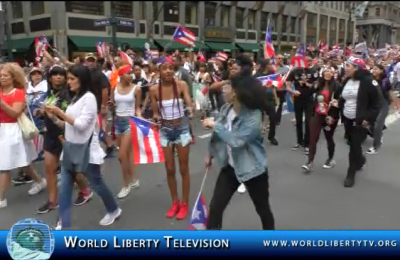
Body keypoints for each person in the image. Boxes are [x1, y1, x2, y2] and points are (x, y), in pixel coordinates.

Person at [46, 64, 122, 228]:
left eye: (72, 79)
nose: (68, 82)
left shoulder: (89, 98)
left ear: (82, 80)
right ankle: (63, 222)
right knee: (65, 188)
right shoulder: (74, 99)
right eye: (68, 78)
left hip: (86, 150)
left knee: (97, 184)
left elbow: (81, 125)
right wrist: (53, 117)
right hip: (70, 149)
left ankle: (114, 209)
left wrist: (60, 113)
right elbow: (67, 126)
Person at [203, 70, 275, 230]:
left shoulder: (253, 117)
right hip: (230, 167)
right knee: (215, 207)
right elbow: (218, 134)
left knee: (263, 209)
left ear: (236, 93)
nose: (223, 89)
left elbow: (237, 141)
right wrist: (210, 154)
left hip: (253, 170)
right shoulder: (226, 109)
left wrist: (215, 124)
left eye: (227, 86)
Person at [149, 57, 193, 220]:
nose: (168, 71)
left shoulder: (181, 85)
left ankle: (185, 203)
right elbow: (155, 113)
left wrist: (190, 107)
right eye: (164, 68)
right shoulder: (154, 90)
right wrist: (155, 119)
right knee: (169, 168)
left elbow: (188, 100)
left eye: (170, 68)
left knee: (183, 167)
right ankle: (175, 201)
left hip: (181, 129)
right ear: (159, 71)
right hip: (165, 130)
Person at [0, 63, 45, 208]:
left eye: (5, 75)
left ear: (13, 77)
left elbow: (15, 113)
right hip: (1, 129)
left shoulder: (18, 93)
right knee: (23, 162)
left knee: (5, 166)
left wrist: (1, 102)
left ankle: (1, 198)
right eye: (0, 75)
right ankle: (39, 181)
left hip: (12, 130)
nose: (2, 78)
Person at [340, 57, 382, 188]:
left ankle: (350, 174)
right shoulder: (347, 80)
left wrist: (368, 118)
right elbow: (342, 97)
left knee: (354, 146)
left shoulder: (368, 82)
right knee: (352, 143)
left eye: (348, 66)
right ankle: (361, 159)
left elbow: (377, 103)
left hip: (360, 121)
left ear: (356, 68)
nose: (345, 68)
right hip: (347, 118)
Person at [109, 62, 141, 199]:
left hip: (130, 122)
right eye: (128, 73)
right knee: (127, 154)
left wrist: (139, 116)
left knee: (121, 155)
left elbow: (138, 108)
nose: (131, 75)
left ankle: (125, 185)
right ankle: (134, 179)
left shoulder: (137, 89)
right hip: (118, 122)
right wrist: (110, 106)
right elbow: (112, 106)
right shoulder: (114, 88)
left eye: (131, 73)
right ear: (121, 75)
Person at [302, 67, 341, 172]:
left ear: (333, 74)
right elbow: (310, 92)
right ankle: (309, 161)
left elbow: (340, 101)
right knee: (313, 138)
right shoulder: (319, 83)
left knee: (329, 138)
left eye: (330, 72)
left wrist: (332, 116)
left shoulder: (337, 86)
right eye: (325, 71)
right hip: (317, 114)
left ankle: (330, 158)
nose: (327, 73)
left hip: (329, 116)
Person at [286, 57, 319, 154]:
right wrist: (292, 91)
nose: (307, 63)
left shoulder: (313, 71)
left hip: (309, 100)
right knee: (299, 121)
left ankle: (307, 143)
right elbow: (287, 85)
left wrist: (309, 85)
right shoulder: (295, 71)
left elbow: (317, 86)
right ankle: (299, 141)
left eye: (309, 61)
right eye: (305, 61)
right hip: (298, 99)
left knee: (309, 121)